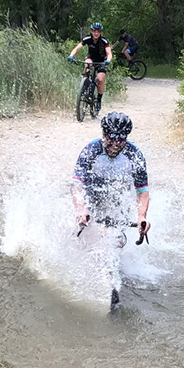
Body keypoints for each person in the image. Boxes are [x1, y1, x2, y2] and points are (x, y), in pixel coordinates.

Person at [71, 112, 151, 306]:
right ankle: (91, 267)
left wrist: (142, 216)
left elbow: (142, 191)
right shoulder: (91, 150)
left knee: (115, 241)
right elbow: (76, 185)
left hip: (116, 198)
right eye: (111, 138)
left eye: (121, 139)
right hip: (90, 197)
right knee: (89, 238)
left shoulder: (134, 154)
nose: (115, 143)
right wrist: (81, 209)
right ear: (104, 134)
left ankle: (110, 277)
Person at [67, 22, 113, 114]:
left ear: (100, 32)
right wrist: (71, 55)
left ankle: (99, 100)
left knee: (100, 79)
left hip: (101, 61)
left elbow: (109, 53)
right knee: (87, 64)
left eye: (98, 31)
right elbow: (77, 48)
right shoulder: (88, 38)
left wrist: (108, 60)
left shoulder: (104, 41)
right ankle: (84, 83)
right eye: (94, 31)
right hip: (91, 58)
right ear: (91, 31)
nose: (96, 33)